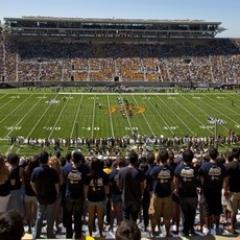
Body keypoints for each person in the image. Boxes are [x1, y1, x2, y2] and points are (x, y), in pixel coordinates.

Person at [31, 151, 60, 240]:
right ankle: (49, 234)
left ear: (39, 160)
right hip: (51, 197)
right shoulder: (53, 171)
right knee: (50, 217)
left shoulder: (36, 170)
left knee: (39, 217)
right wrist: (57, 194)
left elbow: (32, 183)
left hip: (41, 197)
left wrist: (37, 192)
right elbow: (57, 186)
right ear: (47, 159)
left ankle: (37, 235)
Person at [199, 147, 226, 235]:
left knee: (207, 211)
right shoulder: (221, 166)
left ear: (209, 155)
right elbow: (224, 178)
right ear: (217, 155)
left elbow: (201, 178)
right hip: (217, 191)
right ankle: (216, 227)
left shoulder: (204, 166)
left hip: (207, 191)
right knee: (217, 211)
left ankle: (207, 228)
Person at [65, 150, 89, 239]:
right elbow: (86, 184)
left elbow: (62, 180)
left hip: (69, 195)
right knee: (78, 216)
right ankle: (77, 234)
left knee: (68, 215)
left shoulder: (67, 167)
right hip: (79, 196)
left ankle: (69, 234)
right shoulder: (85, 168)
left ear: (72, 158)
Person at [148, 149, 173, 237]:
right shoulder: (170, 169)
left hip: (157, 195)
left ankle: (153, 233)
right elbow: (171, 181)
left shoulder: (155, 169)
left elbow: (150, 176)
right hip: (167, 195)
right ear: (167, 158)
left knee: (154, 216)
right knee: (167, 217)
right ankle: (168, 233)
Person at [174, 149, 198, 237]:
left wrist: (176, 189)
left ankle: (185, 231)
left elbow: (176, 180)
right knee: (192, 213)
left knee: (184, 214)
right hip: (192, 194)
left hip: (183, 194)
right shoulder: (195, 168)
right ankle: (191, 229)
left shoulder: (179, 168)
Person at [85, 158, 109, 237]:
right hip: (101, 199)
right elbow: (107, 189)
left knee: (91, 218)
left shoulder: (88, 175)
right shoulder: (104, 175)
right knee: (100, 218)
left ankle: (90, 234)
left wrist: (85, 198)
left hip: (90, 199)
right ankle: (101, 234)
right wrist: (106, 197)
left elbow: (86, 189)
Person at [118, 150, 145, 221]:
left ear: (129, 160)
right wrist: (141, 195)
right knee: (134, 219)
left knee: (126, 219)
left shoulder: (121, 171)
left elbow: (120, 186)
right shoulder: (139, 172)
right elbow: (142, 187)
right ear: (136, 160)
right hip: (136, 199)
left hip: (126, 198)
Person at [224, 148, 240, 234]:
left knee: (233, 211)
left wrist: (225, 190)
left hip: (233, 191)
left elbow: (226, 180)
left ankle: (233, 228)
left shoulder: (229, 166)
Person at [23, 156, 39, 233]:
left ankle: (29, 227)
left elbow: (23, 181)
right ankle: (33, 226)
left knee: (28, 212)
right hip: (35, 194)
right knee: (34, 212)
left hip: (27, 194)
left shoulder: (26, 169)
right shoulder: (37, 171)